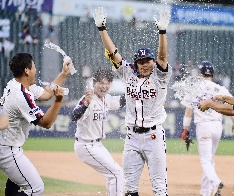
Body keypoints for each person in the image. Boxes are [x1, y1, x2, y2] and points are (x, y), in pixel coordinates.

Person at [93, 7, 172, 195]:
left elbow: (163, 56)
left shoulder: (160, 77)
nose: (145, 64)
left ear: (153, 62)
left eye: (148, 61)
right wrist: (101, 28)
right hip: (132, 137)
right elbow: (113, 53)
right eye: (141, 61)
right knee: (129, 187)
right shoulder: (128, 73)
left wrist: (162, 32)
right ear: (136, 64)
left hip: (154, 136)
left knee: (159, 186)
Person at [1, 53, 70, 196]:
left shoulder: (16, 84)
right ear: (27, 70)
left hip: (7, 144)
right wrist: (58, 100)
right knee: (35, 189)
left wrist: (63, 74)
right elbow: (46, 123)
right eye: (34, 66)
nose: (36, 69)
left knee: (17, 184)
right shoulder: (21, 95)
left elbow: (46, 93)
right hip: (7, 149)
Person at [179, 61, 234, 196]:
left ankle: (215, 182)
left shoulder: (195, 88)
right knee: (210, 159)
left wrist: (185, 129)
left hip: (203, 126)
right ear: (212, 73)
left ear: (200, 73)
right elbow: (232, 105)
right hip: (217, 126)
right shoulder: (220, 88)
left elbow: (188, 111)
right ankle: (205, 191)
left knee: (205, 160)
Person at [71, 67, 126, 195]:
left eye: (107, 83)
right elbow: (74, 116)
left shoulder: (106, 99)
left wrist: (134, 89)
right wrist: (85, 104)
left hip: (98, 145)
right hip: (85, 145)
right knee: (117, 174)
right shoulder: (88, 99)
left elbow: (121, 101)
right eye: (101, 82)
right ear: (94, 83)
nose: (104, 86)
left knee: (112, 175)